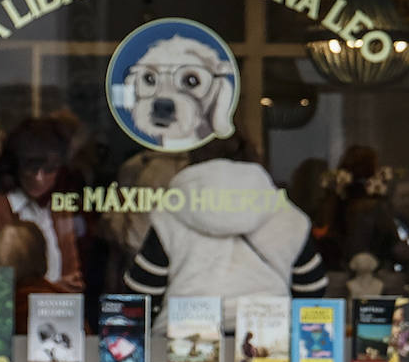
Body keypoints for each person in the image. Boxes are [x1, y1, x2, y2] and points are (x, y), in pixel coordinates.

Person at [122, 132, 328, 335]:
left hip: (186, 340)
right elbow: (312, 287)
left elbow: (143, 293)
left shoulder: (170, 214)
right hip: (268, 340)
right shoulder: (286, 215)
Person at [0, 117, 84, 292]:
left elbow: (73, 277)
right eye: (31, 168)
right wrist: (52, 289)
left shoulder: (59, 209)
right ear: (16, 165)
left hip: (56, 317)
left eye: (49, 169)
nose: (39, 178)